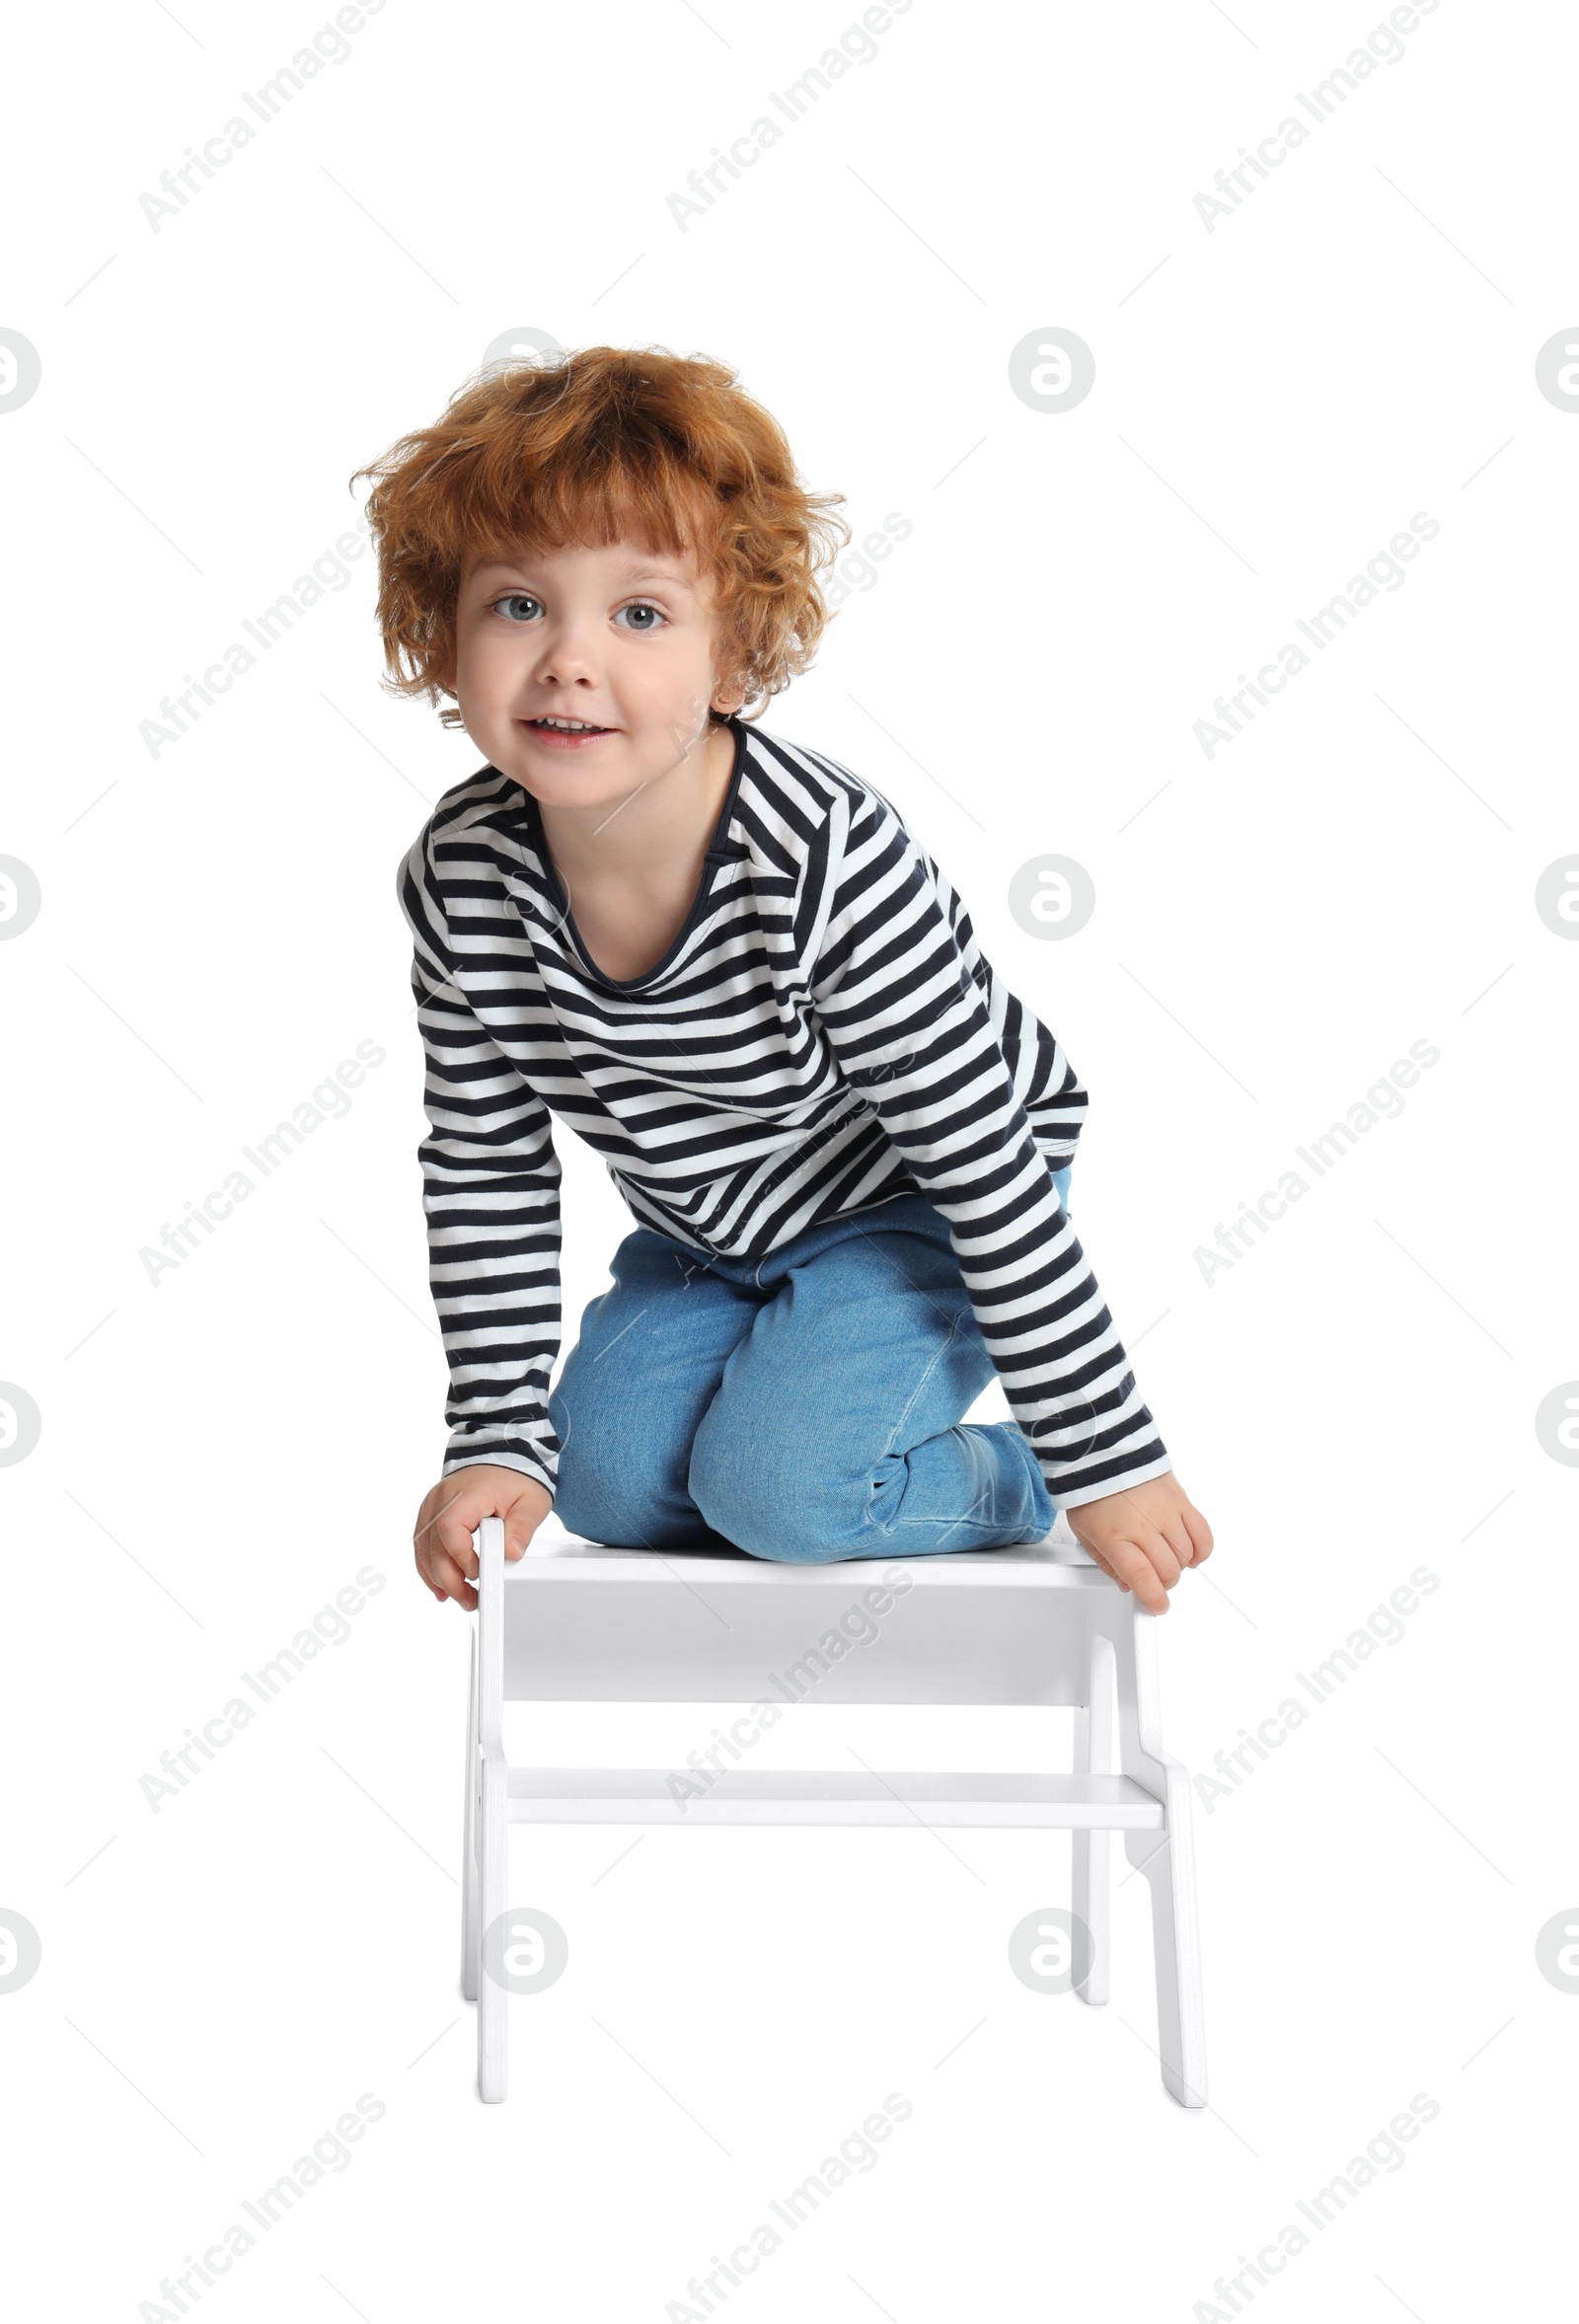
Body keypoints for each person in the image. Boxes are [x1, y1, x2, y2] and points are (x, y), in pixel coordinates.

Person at [356, 345, 1213, 1617]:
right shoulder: (463, 875)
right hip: (715, 1230)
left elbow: (979, 1161)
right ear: (445, 631)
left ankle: (1012, 1477)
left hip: (923, 1193)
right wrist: (491, 1434)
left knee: (781, 1496)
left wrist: (1108, 1458)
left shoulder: (820, 857)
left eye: (639, 614)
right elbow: (484, 1163)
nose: (569, 660)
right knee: (592, 1479)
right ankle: (782, 1406)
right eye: (519, 605)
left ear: (736, 657)